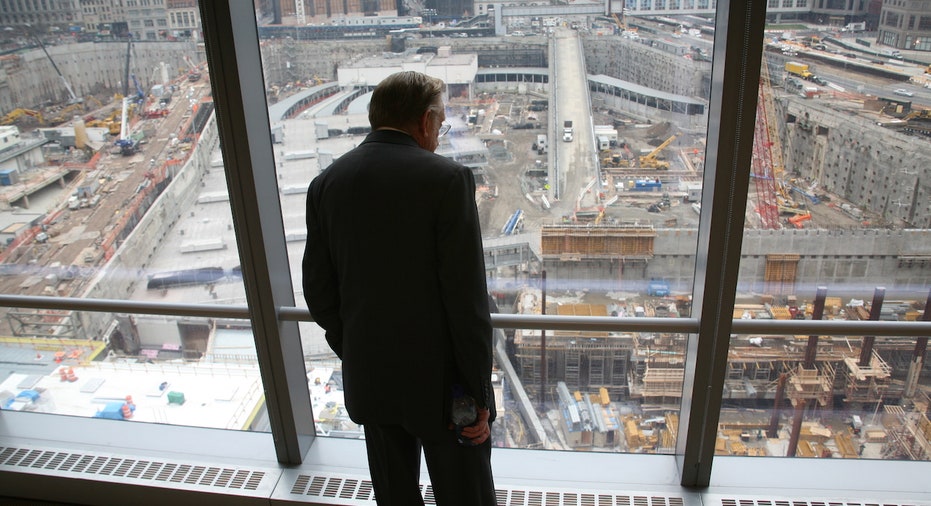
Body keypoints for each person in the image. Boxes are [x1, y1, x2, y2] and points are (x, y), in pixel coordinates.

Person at [302, 71, 497, 506]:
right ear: (426, 122)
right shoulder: (447, 180)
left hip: (373, 379)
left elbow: (319, 291)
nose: (439, 134)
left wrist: (355, 346)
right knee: (466, 496)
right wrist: (480, 394)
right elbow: (467, 303)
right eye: (441, 125)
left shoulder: (326, 184)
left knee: (394, 495)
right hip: (446, 390)